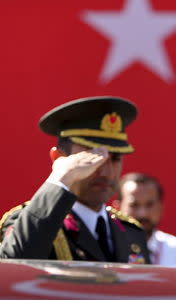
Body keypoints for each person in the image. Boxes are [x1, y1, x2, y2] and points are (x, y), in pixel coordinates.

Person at [0, 96, 150, 264]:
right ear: (59, 158)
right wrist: (61, 177)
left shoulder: (131, 232)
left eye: (115, 158)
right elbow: (15, 264)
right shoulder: (31, 222)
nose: (106, 172)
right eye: (93, 156)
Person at [115, 172, 176, 268]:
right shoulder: (106, 246)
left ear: (161, 207)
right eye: (134, 205)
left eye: (149, 205)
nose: (143, 213)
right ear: (117, 208)